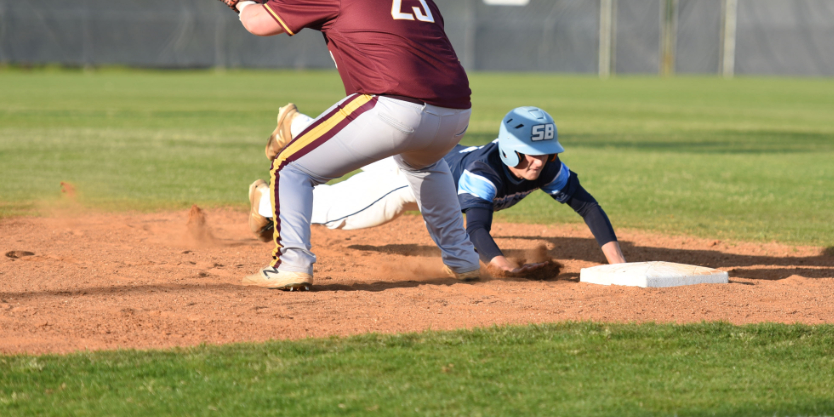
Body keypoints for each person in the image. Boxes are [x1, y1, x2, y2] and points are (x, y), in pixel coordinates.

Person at [231, 0, 480, 290]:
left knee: (290, 166)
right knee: (425, 168)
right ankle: (463, 260)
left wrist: (244, 3)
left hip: (393, 106)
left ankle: (292, 264)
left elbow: (258, 23)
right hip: (455, 113)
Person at [250, 105, 626, 275]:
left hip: (429, 155)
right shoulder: (485, 173)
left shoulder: (546, 168)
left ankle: (297, 124)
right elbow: (475, 229)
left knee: (358, 148)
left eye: (545, 156)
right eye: (531, 156)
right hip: (413, 180)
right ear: (510, 149)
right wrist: (501, 266)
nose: (540, 164)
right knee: (342, 214)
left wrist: (618, 265)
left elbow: (587, 206)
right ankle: (267, 200)